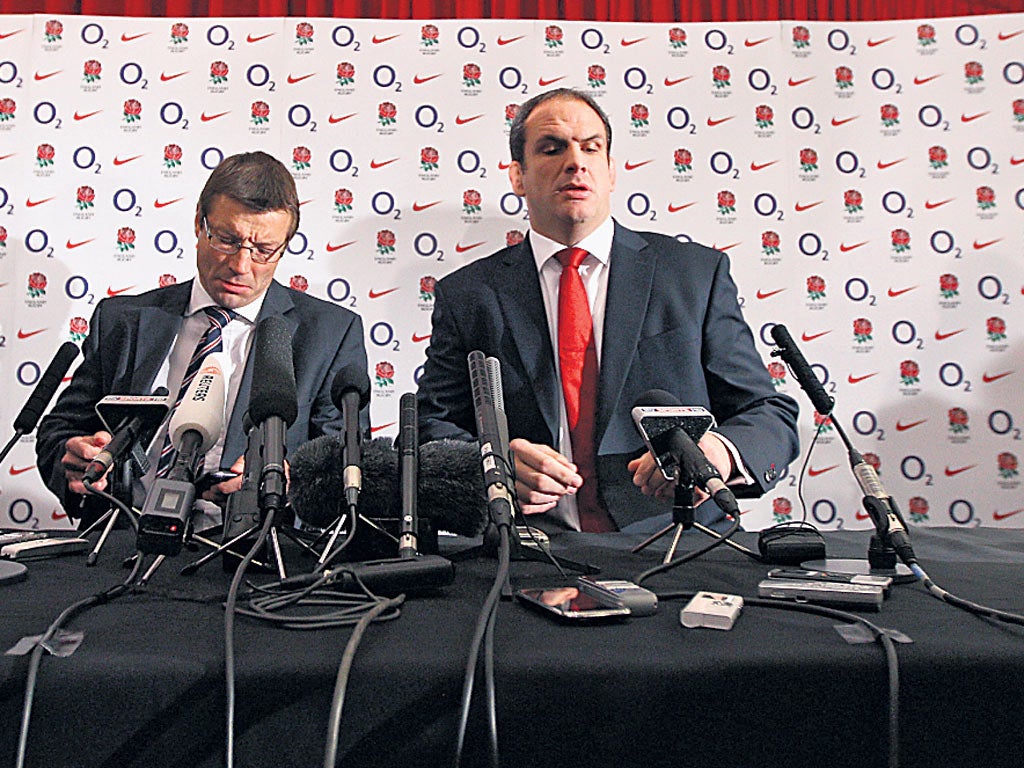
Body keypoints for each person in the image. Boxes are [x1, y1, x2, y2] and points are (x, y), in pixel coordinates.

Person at [416, 89, 799, 532]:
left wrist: (717, 454)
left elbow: (766, 411)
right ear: (518, 177)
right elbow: (432, 425)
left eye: (591, 147)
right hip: (530, 551)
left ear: (612, 172)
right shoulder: (468, 295)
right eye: (552, 148)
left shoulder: (694, 275)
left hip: (680, 543)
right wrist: (492, 464)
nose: (576, 162)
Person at [36, 151, 367, 528]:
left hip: (251, 555)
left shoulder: (329, 334)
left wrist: (285, 481)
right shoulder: (122, 321)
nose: (241, 265)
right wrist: (74, 458)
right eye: (227, 240)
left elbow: (344, 462)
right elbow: (59, 432)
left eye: (263, 250)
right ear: (199, 223)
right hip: (121, 540)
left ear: (286, 245)